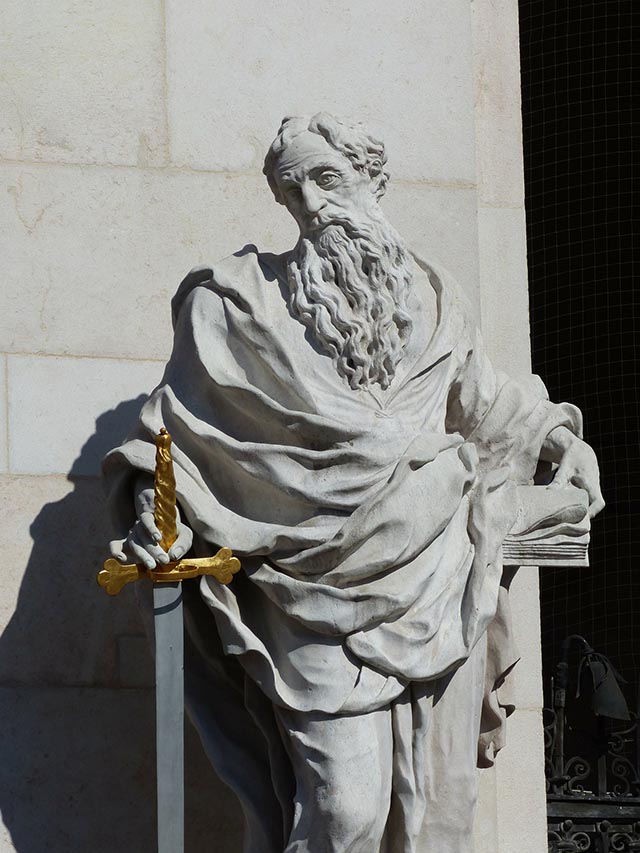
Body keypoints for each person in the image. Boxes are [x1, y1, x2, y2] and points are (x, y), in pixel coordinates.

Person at [104, 113, 604, 853]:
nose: (311, 204)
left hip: (439, 572)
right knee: (346, 810)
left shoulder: (436, 297)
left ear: (371, 179)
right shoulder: (238, 305)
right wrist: (159, 511)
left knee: (445, 811)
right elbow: (172, 435)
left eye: (326, 178)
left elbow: (485, 403)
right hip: (308, 584)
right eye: (292, 191)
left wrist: (562, 439)